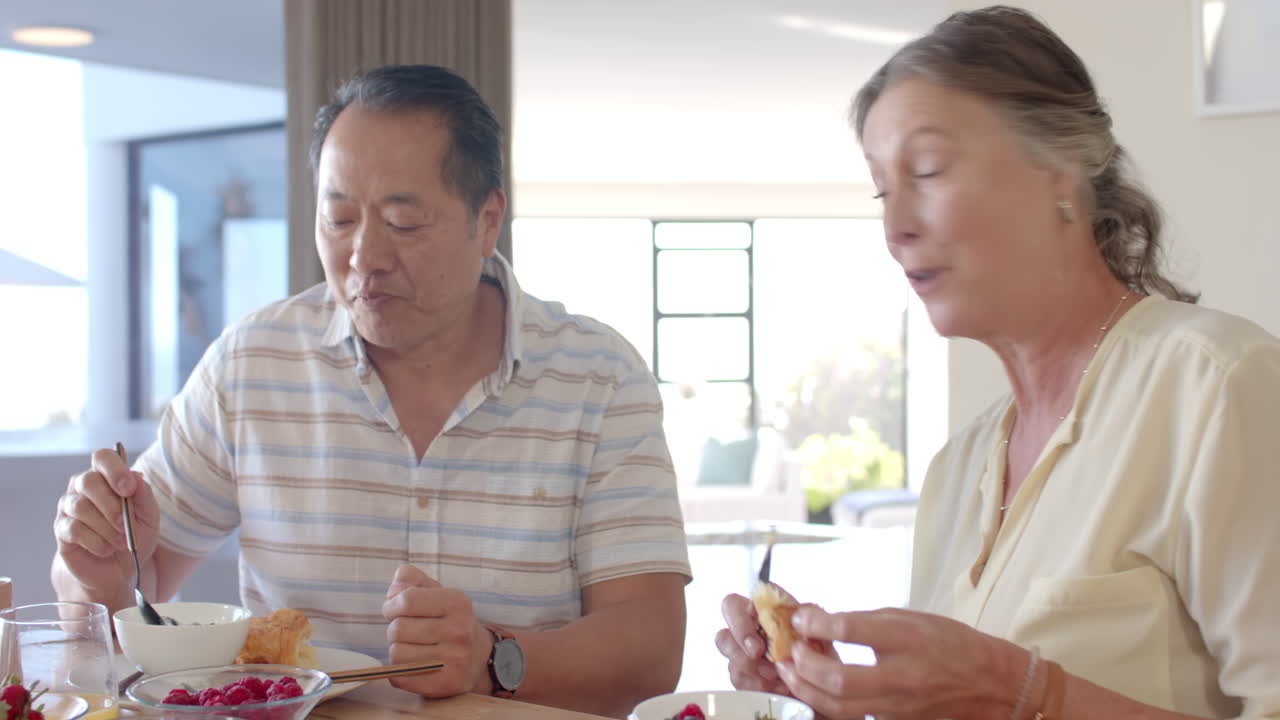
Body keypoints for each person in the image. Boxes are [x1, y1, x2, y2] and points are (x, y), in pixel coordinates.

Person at [51, 64, 690, 717]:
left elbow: (651, 648)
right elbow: (139, 586)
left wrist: (491, 658)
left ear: (488, 219)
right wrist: (101, 576)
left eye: (404, 224)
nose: (363, 258)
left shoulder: (597, 375)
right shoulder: (252, 364)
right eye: (340, 219)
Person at [716, 7, 1280, 720]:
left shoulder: (1218, 386)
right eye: (884, 190)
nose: (895, 229)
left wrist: (1029, 693)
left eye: (928, 171)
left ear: (1060, 171)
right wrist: (833, 696)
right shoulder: (959, 469)